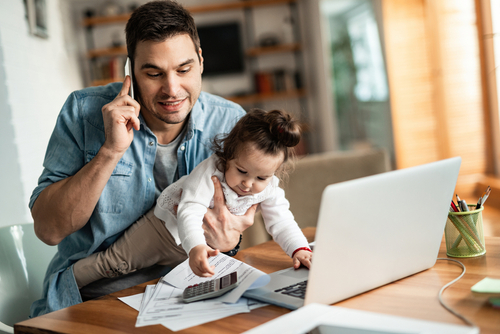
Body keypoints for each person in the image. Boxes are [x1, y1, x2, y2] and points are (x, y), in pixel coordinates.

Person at [29, 0, 256, 317]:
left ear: (201, 61)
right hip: (96, 296)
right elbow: (49, 230)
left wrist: (230, 240)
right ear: (130, 71)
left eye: (184, 69)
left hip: (193, 289)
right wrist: (110, 151)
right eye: (153, 73)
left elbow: (238, 219)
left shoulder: (230, 121)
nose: (172, 89)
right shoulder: (82, 113)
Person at [73, 109, 313, 287]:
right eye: (241, 171)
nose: (248, 184)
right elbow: (189, 210)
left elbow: (281, 221)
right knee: (114, 264)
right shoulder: (210, 171)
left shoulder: (268, 188)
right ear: (228, 155)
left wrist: (299, 250)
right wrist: (197, 247)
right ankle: (69, 280)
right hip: (163, 230)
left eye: (261, 177)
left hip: (195, 248)